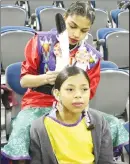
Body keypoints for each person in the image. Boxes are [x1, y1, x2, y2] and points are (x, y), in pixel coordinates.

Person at [1, 1, 129, 163]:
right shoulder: (40, 42)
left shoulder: (92, 56)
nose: (76, 34)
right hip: (38, 104)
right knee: (21, 131)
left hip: (74, 108)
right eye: (72, 26)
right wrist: (46, 78)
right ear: (64, 18)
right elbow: (24, 81)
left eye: (84, 31)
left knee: (113, 124)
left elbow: (88, 94)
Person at [29, 66, 124, 164]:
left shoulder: (99, 121)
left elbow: (105, 161)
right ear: (57, 94)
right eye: (70, 89)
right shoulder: (40, 127)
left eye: (84, 89)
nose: (78, 95)